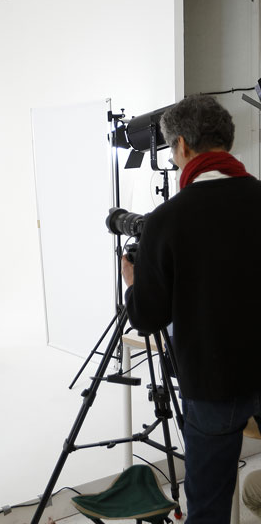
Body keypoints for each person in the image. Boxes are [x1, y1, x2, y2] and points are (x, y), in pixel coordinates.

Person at [121, 94, 261, 524]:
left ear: (181, 145)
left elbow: (147, 318)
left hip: (213, 382)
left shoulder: (169, 219)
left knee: (208, 508)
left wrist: (134, 282)